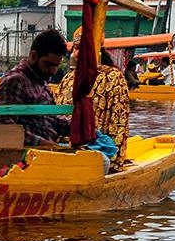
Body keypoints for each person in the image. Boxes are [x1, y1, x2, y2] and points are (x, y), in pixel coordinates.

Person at [55, 43, 131, 172]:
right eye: (76, 48)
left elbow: (119, 122)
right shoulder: (68, 78)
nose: (78, 53)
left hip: (96, 148)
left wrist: (115, 161)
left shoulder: (113, 77)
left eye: (83, 48)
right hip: (64, 146)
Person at [0, 29, 70, 149]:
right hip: (29, 155)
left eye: (56, 66)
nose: (53, 71)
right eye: (48, 65)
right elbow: (4, 126)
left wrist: (78, 126)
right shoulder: (15, 81)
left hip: (50, 148)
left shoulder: (41, 82)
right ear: (33, 56)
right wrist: (42, 143)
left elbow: (51, 120)